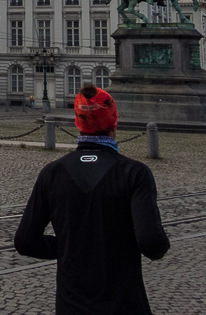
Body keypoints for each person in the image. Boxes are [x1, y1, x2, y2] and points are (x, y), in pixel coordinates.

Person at [14, 84, 169, 314]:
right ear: (114, 121)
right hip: (124, 305)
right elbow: (152, 244)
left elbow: (26, 241)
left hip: (71, 306)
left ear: (78, 123)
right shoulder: (134, 173)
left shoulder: (53, 173)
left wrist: (70, 245)